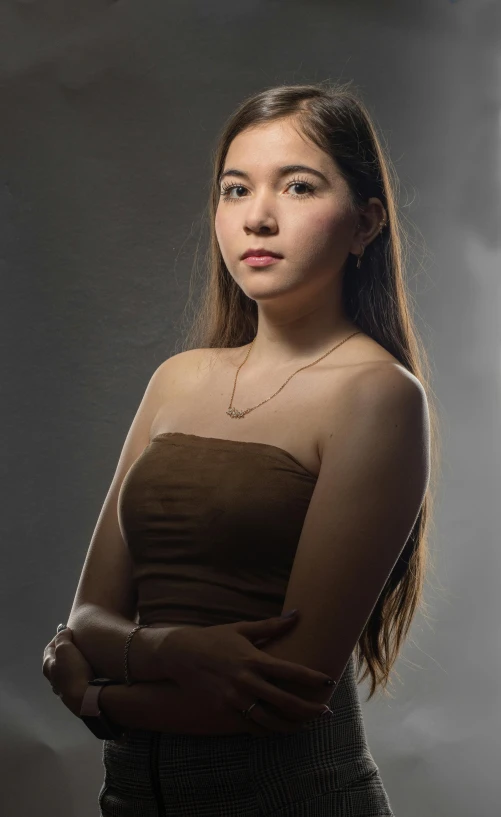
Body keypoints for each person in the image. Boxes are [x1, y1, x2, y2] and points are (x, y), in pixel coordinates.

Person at [42, 80, 439, 816]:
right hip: (129, 799)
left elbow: (284, 690)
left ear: (365, 223)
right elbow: (88, 614)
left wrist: (95, 694)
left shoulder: (377, 394)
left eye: (297, 186)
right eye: (234, 189)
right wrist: (174, 654)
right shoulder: (176, 379)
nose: (257, 217)